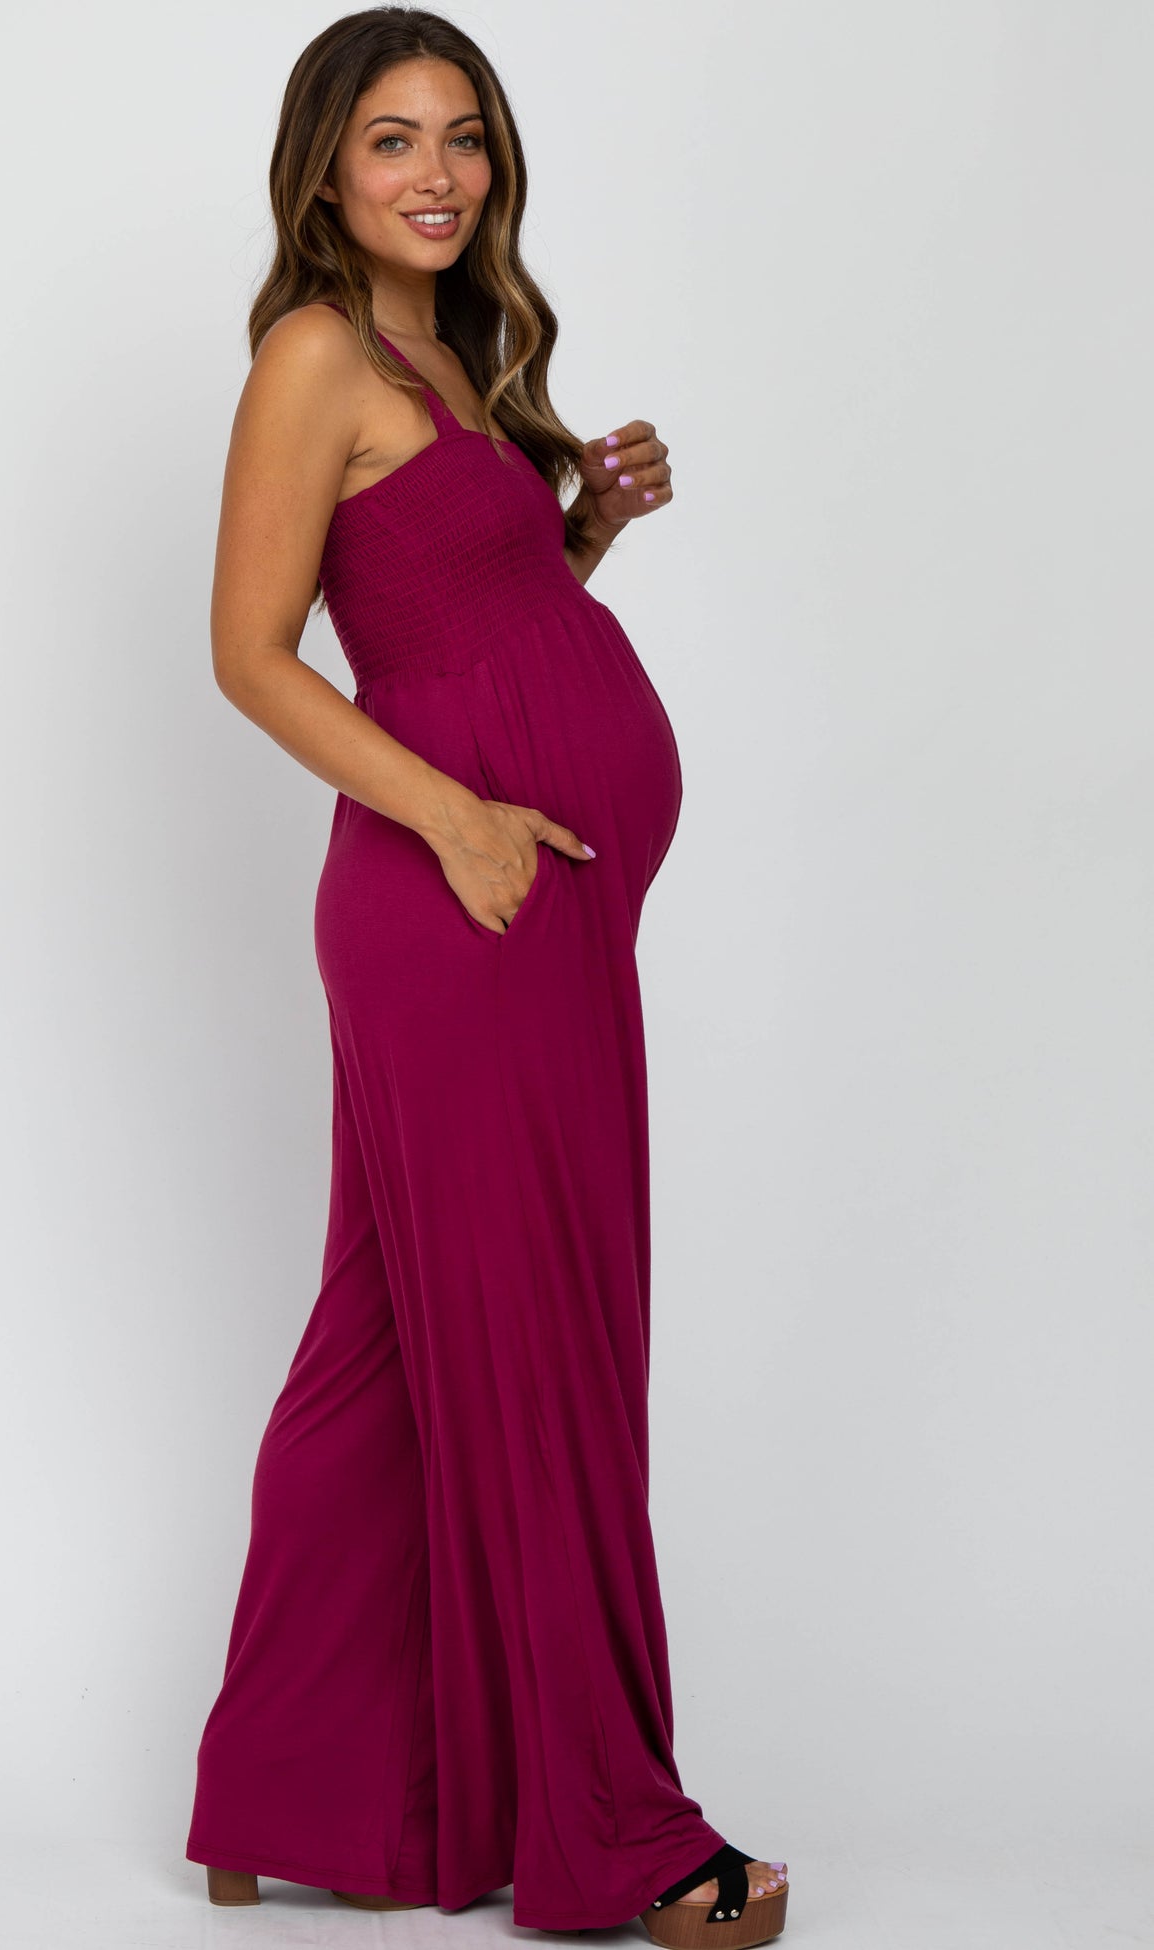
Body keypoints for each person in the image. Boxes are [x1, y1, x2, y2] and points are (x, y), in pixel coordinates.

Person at [183, 9, 790, 1943]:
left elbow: (466, 624)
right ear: (325, 168)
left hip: (529, 902)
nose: (437, 174)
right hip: (459, 906)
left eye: (464, 137)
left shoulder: (451, 352)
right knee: (536, 1353)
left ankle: (277, 1790)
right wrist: (457, 822)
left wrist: (581, 523)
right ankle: (613, 1831)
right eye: (393, 140)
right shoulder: (314, 354)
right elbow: (252, 652)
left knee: (388, 1351)